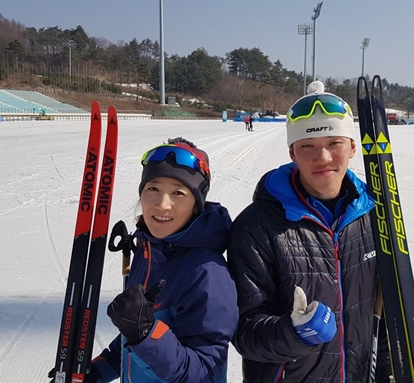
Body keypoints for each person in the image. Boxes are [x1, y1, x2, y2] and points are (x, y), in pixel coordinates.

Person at [227, 81, 392, 383]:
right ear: (292, 152)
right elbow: (243, 331)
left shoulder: (374, 217)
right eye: (308, 146)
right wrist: (294, 334)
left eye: (334, 143)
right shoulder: (257, 226)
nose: (323, 158)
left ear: (352, 147)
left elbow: (379, 320)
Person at [55, 138, 238, 383]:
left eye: (178, 193)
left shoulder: (207, 273)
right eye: (153, 188)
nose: (162, 205)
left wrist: (145, 332)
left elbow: (204, 370)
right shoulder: (146, 253)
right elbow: (132, 344)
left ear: (196, 205)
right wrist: (98, 372)